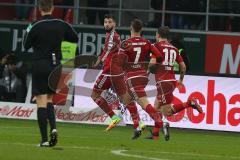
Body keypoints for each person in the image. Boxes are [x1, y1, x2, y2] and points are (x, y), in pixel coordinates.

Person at [23, 0, 78, 147]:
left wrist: (30, 30)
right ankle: (53, 128)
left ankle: (44, 140)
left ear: (39, 8)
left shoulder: (35, 25)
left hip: (40, 64)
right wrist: (59, 37)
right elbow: (75, 38)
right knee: (49, 100)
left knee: (40, 101)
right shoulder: (61, 24)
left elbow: (25, 44)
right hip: (55, 66)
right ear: (53, 8)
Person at [110, 18, 165, 140]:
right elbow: (160, 56)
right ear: (141, 29)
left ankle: (161, 123)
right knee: (127, 99)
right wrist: (153, 69)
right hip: (143, 76)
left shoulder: (125, 43)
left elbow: (120, 62)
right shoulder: (147, 43)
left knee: (143, 103)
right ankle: (137, 126)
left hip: (131, 77)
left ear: (131, 28)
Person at [91, 14, 144, 134]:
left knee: (95, 95)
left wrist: (99, 60)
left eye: (110, 22)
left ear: (114, 24)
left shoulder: (113, 36)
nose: (107, 24)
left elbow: (107, 50)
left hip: (109, 71)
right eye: (105, 22)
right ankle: (139, 122)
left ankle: (114, 117)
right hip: (116, 71)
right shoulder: (112, 36)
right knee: (125, 98)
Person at [149, 26, 203, 140]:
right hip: (171, 81)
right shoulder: (174, 49)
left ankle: (190, 103)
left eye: (156, 34)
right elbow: (183, 67)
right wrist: (181, 80)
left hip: (163, 82)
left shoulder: (155, 47)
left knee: (167, 112)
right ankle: (155, 134)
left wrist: (147, 69)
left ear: (158, 35)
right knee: (156, 107)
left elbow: (152, 64)